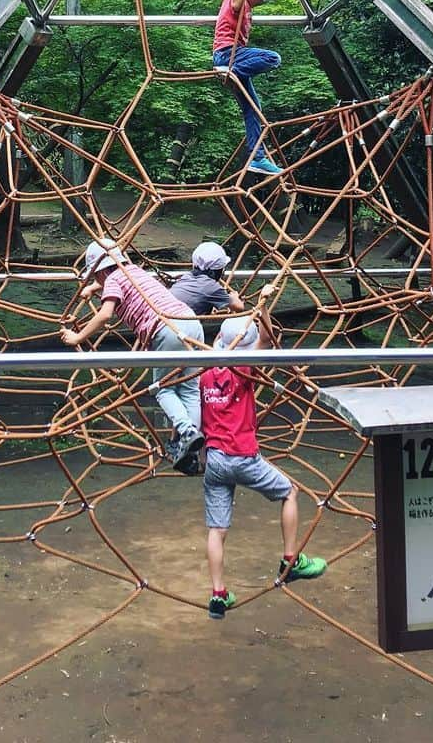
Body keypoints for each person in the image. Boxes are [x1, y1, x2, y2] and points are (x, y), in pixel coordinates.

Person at [200, 301, 327, 620]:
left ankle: (218, 595)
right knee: (289, 492)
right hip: (241, 455)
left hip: (214, 459)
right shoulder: (243, 368)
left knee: (217, 529)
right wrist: (263, 307)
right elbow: (268, 339)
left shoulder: (205, 373)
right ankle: (290, 560)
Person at [60, 238, 205, 470]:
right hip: (191, 323)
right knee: (189, 389)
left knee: (163, 388)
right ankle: (190, 448)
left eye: (94, 276)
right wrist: (93, 287)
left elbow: (105, 314)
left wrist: (78, 337)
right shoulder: (133, 271)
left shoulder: (111, 280)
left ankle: (186, 432)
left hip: (167, 330)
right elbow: (114, 281)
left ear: (100, 270)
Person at [213, 0, 283, 176]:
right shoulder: (239, 1)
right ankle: (231, 72)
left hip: (234, 60)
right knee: (272, 58)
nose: (264, 1)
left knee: (253, 108)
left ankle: (257, 157)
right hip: (228, 55)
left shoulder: (246, 6)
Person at [170, 241, 245, 316]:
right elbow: (239, 307)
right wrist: (234, 297)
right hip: (180, 324)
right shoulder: (212, 287)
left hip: (166, 318)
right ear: (218, 271)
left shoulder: (186, 277)